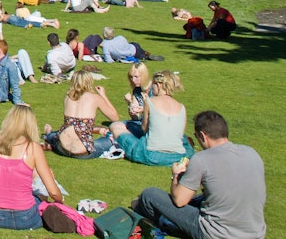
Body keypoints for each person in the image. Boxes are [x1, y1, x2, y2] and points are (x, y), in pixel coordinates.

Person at [133, 110, 266, 239]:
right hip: (254, 232)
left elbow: (179, 201)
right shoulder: (251, 153)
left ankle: (165, 223)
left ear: (203, 135)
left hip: (215, 233)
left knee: (150, 195)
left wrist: (176, 176)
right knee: (201, 198)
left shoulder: (202, 159)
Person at [0, 104, 64, 230]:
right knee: (40, 198)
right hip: (24, 217)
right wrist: (60, 202)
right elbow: (54, 192)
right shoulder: (33, 148)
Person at [110, 70, 194, 166]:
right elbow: (180, 135)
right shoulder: (181, 107)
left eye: (153, 85)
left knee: (115, 126)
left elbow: (144, 129)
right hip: (178, 156)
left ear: (158, 85)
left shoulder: (150, 102)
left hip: (150, 155)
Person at [42, 70, 120, 158]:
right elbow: (115, 118)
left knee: (56, 134)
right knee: (114, 138)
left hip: (62, 148)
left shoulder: (68, 96)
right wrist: (103, 95)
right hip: (83, 152)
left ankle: (49, 137)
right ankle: (50, 138)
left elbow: (76, 124)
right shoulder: (95, 98)